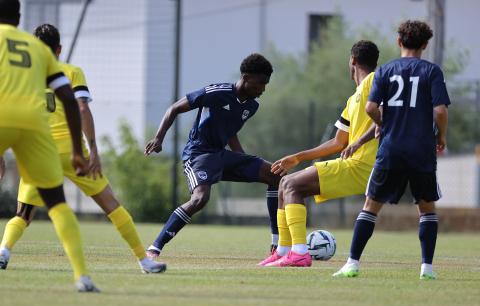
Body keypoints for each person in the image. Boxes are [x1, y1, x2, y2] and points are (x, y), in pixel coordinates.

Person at [0, 24, 167, 275]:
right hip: (72, 151)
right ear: (59, 49)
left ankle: (3, 252)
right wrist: (94, 149)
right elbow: (81, 108)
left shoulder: (26, 76)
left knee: (23, 213)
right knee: (112, 204)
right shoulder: (71, 71)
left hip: (40, 151)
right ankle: (144, 260)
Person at [333, 20, 449, 279]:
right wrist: (441, 136)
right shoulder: (432, 71)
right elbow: (440, 110)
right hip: (421, 150)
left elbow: (371, 108)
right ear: (425, 45)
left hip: (391, 149)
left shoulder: (385, 71)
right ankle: (426, 269)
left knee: (370, 206)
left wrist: (384, 124)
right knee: (427, 209)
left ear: (399, 42)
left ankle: (352, 263)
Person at [0, 0, 97, 292]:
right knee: (57, 205)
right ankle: (82, 276)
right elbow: (70, 100)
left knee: (23, 211)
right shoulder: (36, 50)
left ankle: (3, 251)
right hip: (35, 127)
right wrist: (80, 151)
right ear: (18, 17)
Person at [144, 53, 281, 257]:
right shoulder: (217, 92)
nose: (263, 89)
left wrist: (241, 160)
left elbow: (230, 130)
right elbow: (174, 108)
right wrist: (158, 138)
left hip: (221, 155)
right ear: (246, 77)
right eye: (261, 83)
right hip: (198, 154)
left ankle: (277, 245)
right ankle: (155, 248)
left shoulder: (251, 106)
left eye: (266, 84)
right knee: (200, 199)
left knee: (275, 174)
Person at [258, 40, 380, 267]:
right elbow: (338, 142)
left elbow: (385, 115)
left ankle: (300, 253)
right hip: (354, 164)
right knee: (285, 182)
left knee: (292, 186)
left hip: (362, 166)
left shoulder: (373, 81)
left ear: (352, 60)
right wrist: (298, 157)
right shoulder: (353, 98)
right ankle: (284, 251)